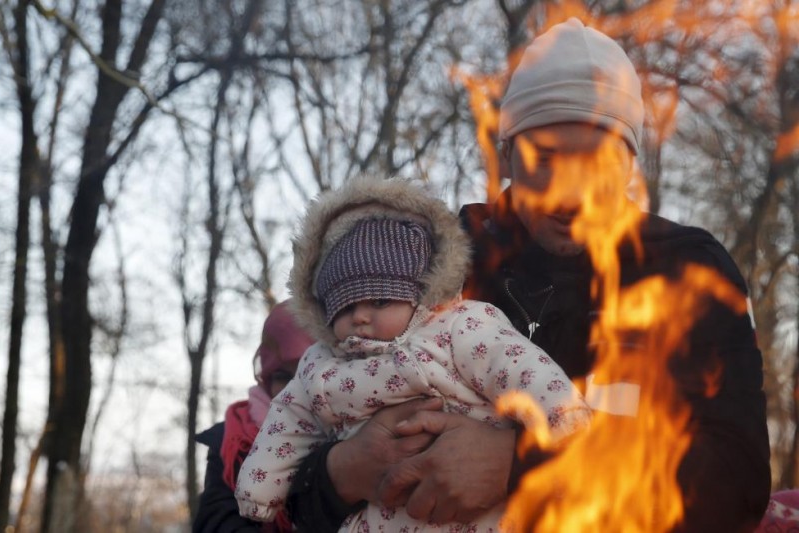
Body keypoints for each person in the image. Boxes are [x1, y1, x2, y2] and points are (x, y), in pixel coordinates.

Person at [283, 17, 771, 533]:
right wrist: (346, 469)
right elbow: (294, 481)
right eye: (547, 158)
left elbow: (736, 484)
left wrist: (523, 465)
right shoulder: (436, 261)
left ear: (630, 163)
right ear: (508, 152)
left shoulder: (687, 268)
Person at [234, 178, 592, 531]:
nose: (360, 316)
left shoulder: (458, 327)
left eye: (379, 301)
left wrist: (563, 415)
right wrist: (260, 487)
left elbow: (516, 365)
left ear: (416, 296)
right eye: (344, 307)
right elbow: (288, 419)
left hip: (474, 513)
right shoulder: (321, 363)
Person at [193, 300, 315, 533]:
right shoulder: (231, 441)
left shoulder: (363, 431)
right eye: (281, 376)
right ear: (266, 379)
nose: (293, 389)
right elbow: (215, 522)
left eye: (306, 372)